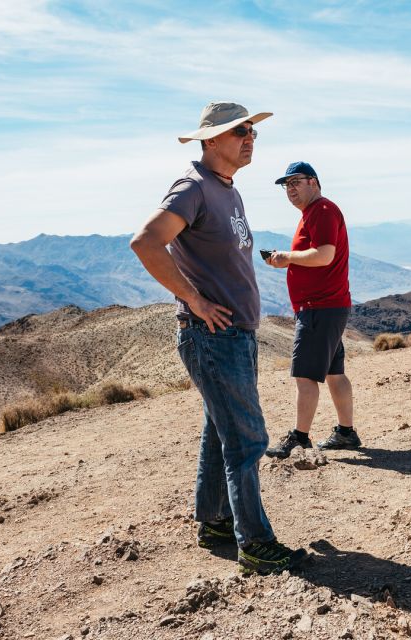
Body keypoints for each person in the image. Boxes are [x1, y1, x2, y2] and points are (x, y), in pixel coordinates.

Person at [129, 102, 305, 575]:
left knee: (219, 433)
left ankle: (214, 523)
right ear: (210, 141)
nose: (250, 138)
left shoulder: (228, 190)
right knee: (248, 440)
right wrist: (193, 299)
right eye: (239, 132)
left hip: (236, 336)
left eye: (252, 131)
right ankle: (256, 543)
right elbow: (146, 241)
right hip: (213, 337)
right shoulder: (194, 187)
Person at [263, 162, 360, 459]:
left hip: (320, 307)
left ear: (314, 183)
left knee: (304, 376)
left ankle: (300, 437)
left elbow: (324, 255)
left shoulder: (322, 211)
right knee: (333, 372)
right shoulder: (314, 213)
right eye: (286, 185)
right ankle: (346, 432)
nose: (291, 189)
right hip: (327, 305)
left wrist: (286, 258)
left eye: (296, 182)